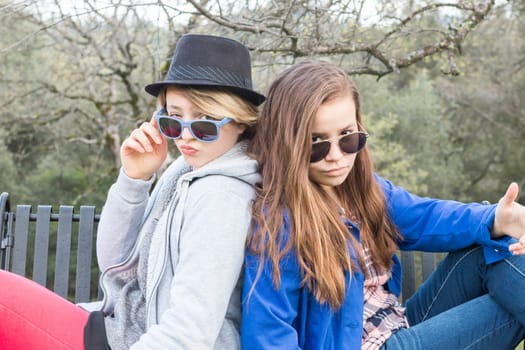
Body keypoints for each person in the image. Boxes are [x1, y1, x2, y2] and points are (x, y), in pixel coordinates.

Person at [0, 34, 265, 350]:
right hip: (115, 326)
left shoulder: (220, 198)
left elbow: (189, 335)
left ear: (240, 122)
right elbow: (116, 263)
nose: (185, 137)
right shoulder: (185, 172)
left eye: (205, 123)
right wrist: (134, 179)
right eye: (173, 120)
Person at [240, 60, 525, 350]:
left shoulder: (360, 189)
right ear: (287, 143)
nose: (337, 156)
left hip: (399, 324)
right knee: (508, 310)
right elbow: (268, 334)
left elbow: (426, 216)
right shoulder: (281, 226)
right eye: (317, 143)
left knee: (495, 248)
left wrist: (497, 218)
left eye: (347, 138)